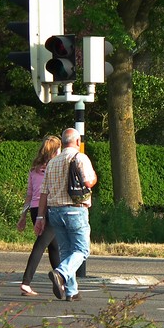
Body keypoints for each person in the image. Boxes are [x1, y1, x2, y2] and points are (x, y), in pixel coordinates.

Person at [34, 128, 97, 301]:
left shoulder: (52, 163)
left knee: (66, 250)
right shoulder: (80, 158)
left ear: (62, 142)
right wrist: (94, 177)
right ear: (77, 142)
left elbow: (44, 192)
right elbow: (88, 182)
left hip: (54, 211)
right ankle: (61, 273)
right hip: (75, 210)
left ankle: (71, 291)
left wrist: (40, 217)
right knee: (82, 250)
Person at [17, 135, 62, 296]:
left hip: (35, 209)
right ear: (56, 150)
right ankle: (26, 282)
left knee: (54, 246)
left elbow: (29, 194)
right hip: (49, 208)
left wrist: (23, 215)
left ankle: (63, 282)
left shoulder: (34, 170)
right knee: (41, 244)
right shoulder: (55, 168)